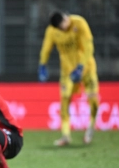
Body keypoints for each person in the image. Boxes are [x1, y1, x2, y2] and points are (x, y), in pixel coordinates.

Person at [38, 11, 99, 146]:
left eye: (62, 26)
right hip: (67, 71)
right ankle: (66, 135)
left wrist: (81, 66)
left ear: (66, 18)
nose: (62, 29)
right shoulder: (52, 30)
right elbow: (46, 48)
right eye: (59, 28)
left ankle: (91, 128)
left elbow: (89, 47)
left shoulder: (79, 23)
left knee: (94, 100)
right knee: (64, 101)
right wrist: (42, 64)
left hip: (86, 68)